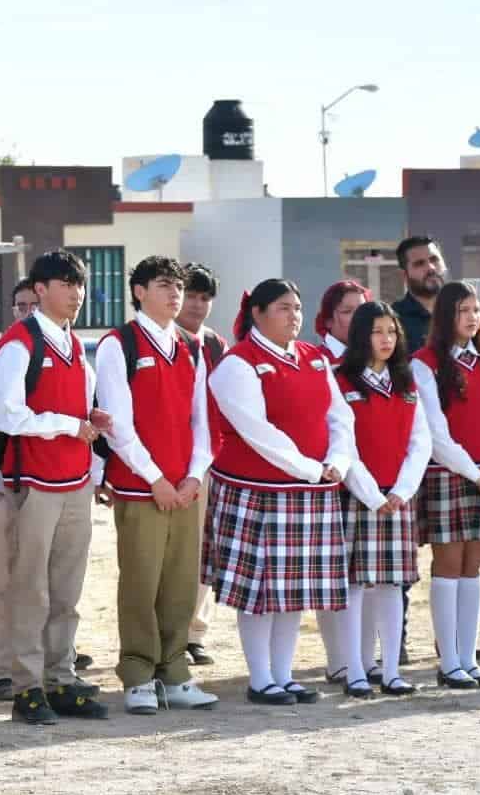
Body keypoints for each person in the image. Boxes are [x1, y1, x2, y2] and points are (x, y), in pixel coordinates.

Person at [205, 279, 354, 706]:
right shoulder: (238, 363)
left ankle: (284, 675)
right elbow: (257, 432)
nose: (294, 316)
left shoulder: (314, 359)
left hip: (310, 489)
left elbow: (339, 417)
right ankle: (260, 677)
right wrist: (311, 468)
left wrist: (338, 462)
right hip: (259, 491)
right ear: (257, 313)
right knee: (258, 591)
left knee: (293, 589)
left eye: (298, 307)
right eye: (284, 308)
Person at [0, 250, 111, 723]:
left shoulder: (75, 344)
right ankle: (27, 686)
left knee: (67, 590)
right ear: (39, 290)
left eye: (78, 283)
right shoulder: (20, 343)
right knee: (30, 589)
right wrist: (67, 423)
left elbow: (79, 409)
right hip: (34, 480)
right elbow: (4, 413)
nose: (75, 293)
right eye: (64, 283)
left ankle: (61, 678)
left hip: (75, 478)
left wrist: (89, 421)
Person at [95, 257, 218, 715]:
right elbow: (118, 424)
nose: (175, 295)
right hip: (139, 486)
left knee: (182, 583)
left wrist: (192, 476)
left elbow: (204, 420)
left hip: (187, 486)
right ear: (140, 291)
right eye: (164, 285)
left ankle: (174, 671)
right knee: (141, 583)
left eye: (180, 287)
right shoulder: (118, 344)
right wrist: (156, 479)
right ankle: (138, 674)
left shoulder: (191, 346)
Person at [410, 281, 480, 690]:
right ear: (445, 316)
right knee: (448, 565)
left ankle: (469, 658)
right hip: (449, 475)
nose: (473, 317)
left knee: (473, 567)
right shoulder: (425, 364)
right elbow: (436, 435)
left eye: (476, 310)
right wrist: (477, 475)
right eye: (463, 310)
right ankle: (449, 662)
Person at [332, 302, 429, 697]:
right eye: (377, 331)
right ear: (360, 336)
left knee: (392, 585)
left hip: (398, 498)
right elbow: (344, 444)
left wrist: (401, 492)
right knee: (355, 585)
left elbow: (420, 443)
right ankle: (355, 669)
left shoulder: (406, 384)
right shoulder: (340, 380)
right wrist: (373, 495)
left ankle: (391, 671)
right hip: (358, 497)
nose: (386, 339)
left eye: (392, 331)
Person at [310, 280, 373, 686]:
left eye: (362, 309)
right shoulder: (316, 361)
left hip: (374, 481)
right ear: (329, 318)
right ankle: (338, 658)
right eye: (348, 311)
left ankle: (365, 657)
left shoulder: (376, 358)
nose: (357, 319)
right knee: (335, 573)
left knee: (369, 574)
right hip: (332, 476)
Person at [176, 263, 225, 667]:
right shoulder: (155, 340)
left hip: (208, 461)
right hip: (166, 461)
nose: (197, 304)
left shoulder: (215, 345)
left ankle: (195, 632)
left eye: (205, 297)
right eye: (190, 295)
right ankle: (166, 631)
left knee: (202, 549)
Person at [392, 235, 446, 354]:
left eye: (434, 259)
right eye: (419, 263)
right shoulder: (392, 320)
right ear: (404, 275)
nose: (431, 268)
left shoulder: (462, 312)